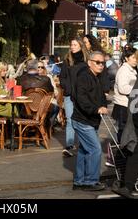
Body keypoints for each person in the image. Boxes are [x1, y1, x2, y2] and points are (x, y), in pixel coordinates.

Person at [72, 51, 108, 191]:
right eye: (97, 62)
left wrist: (103, 105)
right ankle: (90, 181)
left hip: (90, 120)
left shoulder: (95, 77)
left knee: (84, 150)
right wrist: (96, 109)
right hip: (83, 120)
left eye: (103, 63)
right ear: (89, 63)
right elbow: (81, 100)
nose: (101, 65)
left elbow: (100, 96)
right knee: (95, 149)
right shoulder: (84, 77)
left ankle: (79, 181)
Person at [59, 37, 89, 157]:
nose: (72, 47)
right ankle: (69, 145)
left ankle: (83, 144)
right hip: (70, 95)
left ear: (81, 46)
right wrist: (67, 88)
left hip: (82, 96)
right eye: (71, 45)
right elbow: (62, 77)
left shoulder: (86, 61)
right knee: (71, 120)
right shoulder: (67, 61)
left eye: (75, 45)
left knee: (82, 120)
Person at [112, 76, 138, 198]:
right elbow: (134, 107)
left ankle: (127, 186)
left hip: (134, 123)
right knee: (134, 154)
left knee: (134, 154)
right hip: (135, 124)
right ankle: (127, 186)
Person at [112, 46, 138, 142]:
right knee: (124, 130)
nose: (136, 60)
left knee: (129, 130)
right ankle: (122, 151)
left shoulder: (132, 69)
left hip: (130, 104)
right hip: (123, 105)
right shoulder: (124, 70)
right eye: (133, 57)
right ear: (126, 58)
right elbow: (122, 88)